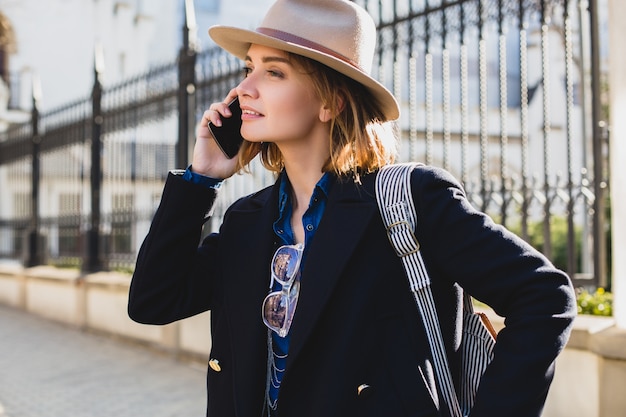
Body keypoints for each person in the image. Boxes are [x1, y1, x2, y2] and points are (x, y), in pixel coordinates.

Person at [127, 0, 577, 416]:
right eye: (248, 68)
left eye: (274, 72)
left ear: (331, 101)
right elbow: (153, 302)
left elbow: (544, 297)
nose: (244, 88)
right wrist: (199, 179)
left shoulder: (409, 200)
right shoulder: (248, 219)